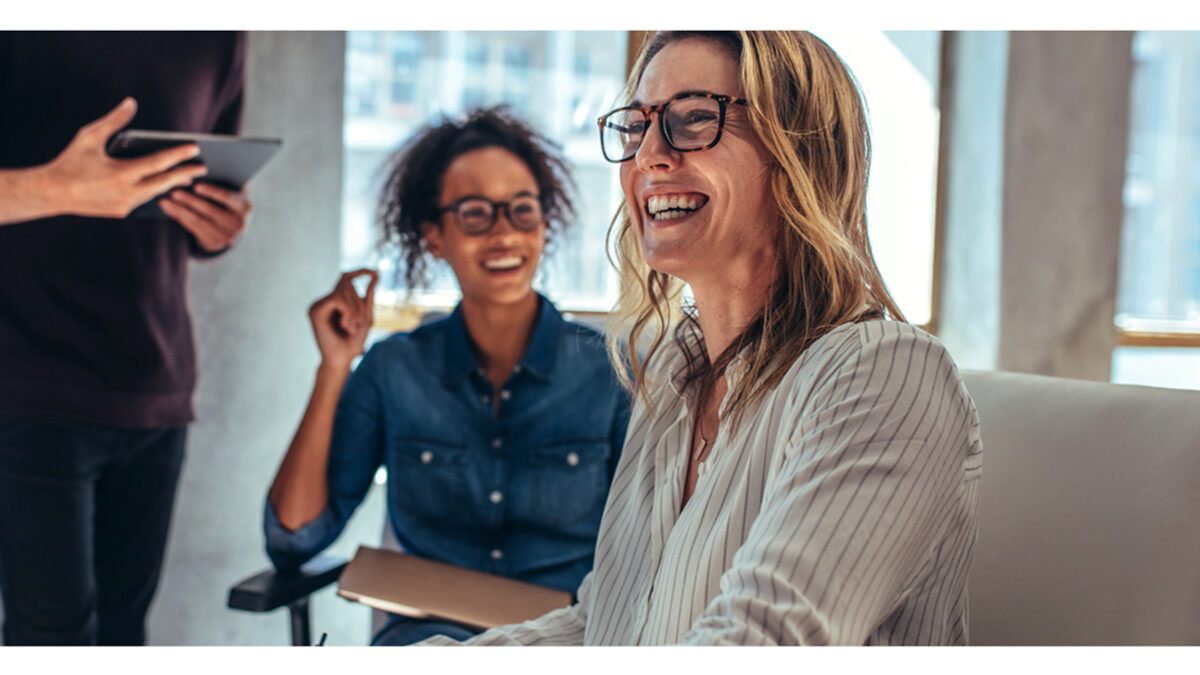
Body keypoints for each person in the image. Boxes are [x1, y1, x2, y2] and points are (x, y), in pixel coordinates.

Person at [419, 30, 983, 647]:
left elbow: (760, 643)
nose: (649, 156)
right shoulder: (672, 375)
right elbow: (605, 625)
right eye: (637, 127)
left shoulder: (885, 374)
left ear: (799, 152)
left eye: (692, 120)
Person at [264, 107, 631, 646]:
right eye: (476, 214)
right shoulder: (393, 370)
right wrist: (335, 366)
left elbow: (651, 549)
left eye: (522, 211)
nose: (504, 233)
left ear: (544, 226)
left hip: (564, 639)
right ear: (433, 236)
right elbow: (293, 538)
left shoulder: (610, 374)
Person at [0, 32, 251, 645]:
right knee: (52, 640)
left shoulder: (218, 32)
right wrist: (58, 188)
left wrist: (220, 226)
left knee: (122, 637)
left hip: (155, 385)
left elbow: (204, 186)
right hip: (26, 382)